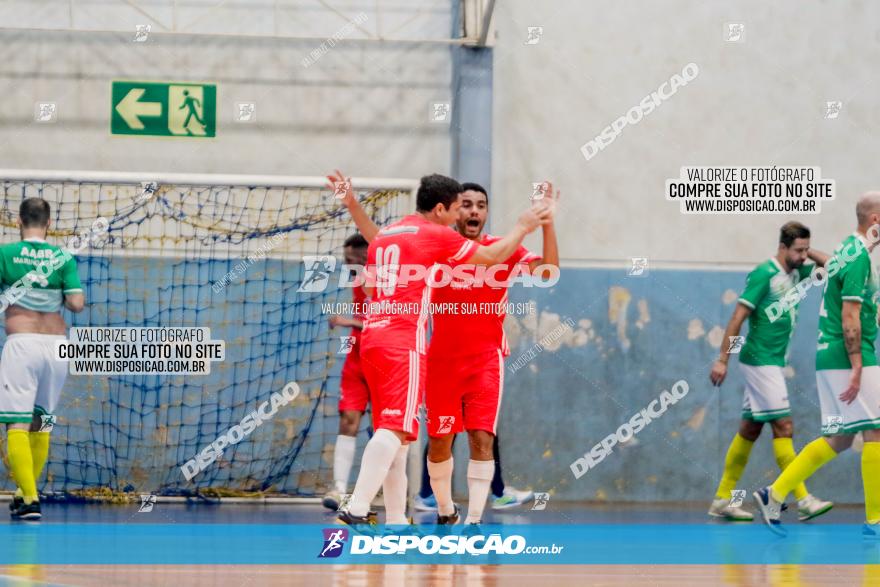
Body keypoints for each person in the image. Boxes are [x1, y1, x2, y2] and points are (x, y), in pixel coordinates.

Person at [328, 170, 551, 526]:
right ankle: (355, 506)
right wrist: (524, 225)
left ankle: (398, 519)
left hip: (371, 338)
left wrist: (352, 203)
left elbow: (370, 286)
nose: (459, 217)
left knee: (398, 438)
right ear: (441, 209)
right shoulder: (436, 235)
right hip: (403, 342)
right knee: (394, 430)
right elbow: (493, 257)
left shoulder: (390, 234)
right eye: (456, 209)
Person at [425, 181, 558, 525]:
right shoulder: (438, 247)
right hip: (440, 360)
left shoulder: (504, 248)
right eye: (466, 204)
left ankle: (473, 521)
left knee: (482, 437)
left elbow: (549, 273)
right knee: (440, 441)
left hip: (485, 360)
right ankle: (444, 510)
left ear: (485, 212)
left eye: (480, 205)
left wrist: (547, 223)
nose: (473, 211)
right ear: (455, 211)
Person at [755, 193, 880, 537]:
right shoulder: (858, 259)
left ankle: (774, 493)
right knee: (876, 431)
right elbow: (849, 316)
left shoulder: (848, 251)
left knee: (840, 438)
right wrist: (857, 364)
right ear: (875, 221)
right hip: (849, 354)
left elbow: (835, 267)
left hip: (831, 355)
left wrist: (810, 252)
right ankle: (875, 521)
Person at [708, 221, 832, 522]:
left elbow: (834, 267)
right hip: (760, 361)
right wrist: (723, 359)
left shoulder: (798, 271)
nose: (803, 256)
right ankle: (803, 499)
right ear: (782, 247)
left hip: (772, 362)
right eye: (798, 250)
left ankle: (722, 500)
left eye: (806, 250)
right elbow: (738, 318)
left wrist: (806, 251)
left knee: (749, 430)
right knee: (784, 427)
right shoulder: (764, 274)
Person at [0, 198, 85, 520]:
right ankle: (24, 494)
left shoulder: (5, 254)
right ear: (49, 224)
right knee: (43, 423)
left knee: (17, 424)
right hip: (57, 347)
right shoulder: (62, 257)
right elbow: (76, 303)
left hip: (23, 344)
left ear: (19, 222)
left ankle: (31, 499)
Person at [322, 234, 371, 511]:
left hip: (385, 362)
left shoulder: (391, 282)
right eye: (348, 261)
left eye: (358, 261)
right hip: (356, 360)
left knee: (387, 430)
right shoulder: (356, 281)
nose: (352, 266)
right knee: (348, 420)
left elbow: (390, 322)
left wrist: (347, 321)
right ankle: (339, 489)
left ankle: (382, 491)